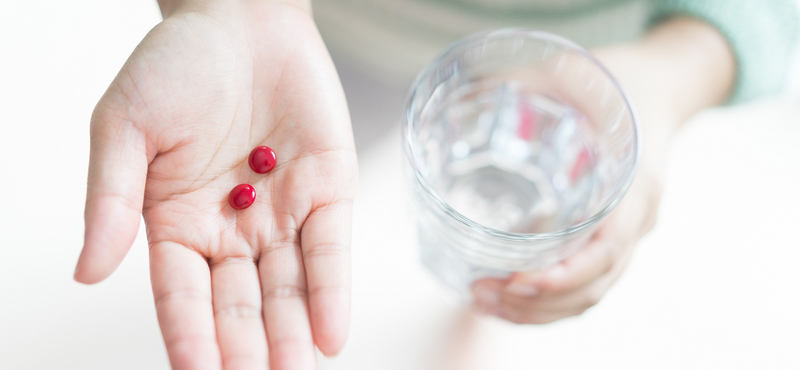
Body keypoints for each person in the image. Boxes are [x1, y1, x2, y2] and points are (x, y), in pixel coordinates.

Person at [72, 0, 798, 369]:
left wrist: (680, 68)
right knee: (317, 173)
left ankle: (481, 303)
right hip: (308, 38)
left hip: (586, 67)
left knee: (509, 253)